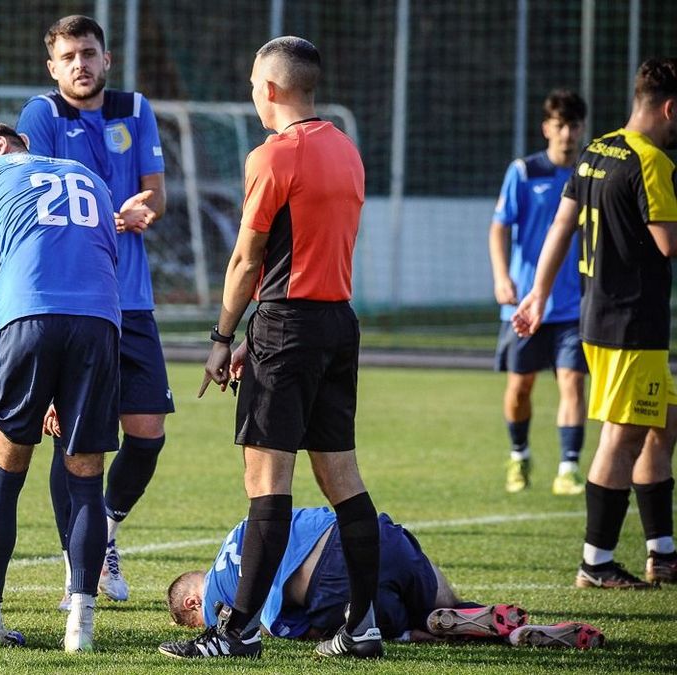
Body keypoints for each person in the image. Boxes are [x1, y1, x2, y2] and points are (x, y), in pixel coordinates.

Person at [161, 37, 381, 661]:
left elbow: (247, 259)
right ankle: (361, 629)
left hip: (286, 330)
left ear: (273, 89)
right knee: (343, 479)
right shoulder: (347, 149)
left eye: (255, 85)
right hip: (338, 323)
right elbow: (305, 253)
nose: (252, 96)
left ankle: (238, 632)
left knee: (266, 485)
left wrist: (223, 336)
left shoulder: (273, 156)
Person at [17, 14, 170, 606]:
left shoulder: (135, 108)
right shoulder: (43, 116)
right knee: (75, 438)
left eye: (89, 52)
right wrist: (114, 218)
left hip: (131, 302)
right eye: (68, 57)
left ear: (106, 58)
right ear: (52, 68)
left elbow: (157, 192)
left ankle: (104, 528)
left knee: (148, 432)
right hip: (75, 301)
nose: (80, 64)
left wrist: (145, 208)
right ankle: (75, 563)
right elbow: (43, 208)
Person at [0, 123, 120, 652]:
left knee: (4, 480)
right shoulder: (90, 176)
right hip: (99, 323)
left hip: (26, 319)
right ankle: (81, 630)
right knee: (87, 483)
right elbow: (101, 258)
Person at [513, 57, 677, 588]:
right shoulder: (651, 162)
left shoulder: (596, 151)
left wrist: (537, 293)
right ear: (670, 108)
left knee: (664, 422)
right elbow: (668, 242)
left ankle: (663, 552)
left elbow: (562, 224)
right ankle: (597, 562)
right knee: (622, 437)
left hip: (597, 317)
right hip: (632, 323)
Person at [165, 507, 605, 650]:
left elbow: (291, 624)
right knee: (441, 598)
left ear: (191, 605)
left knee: (361, 627)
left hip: (333, 580)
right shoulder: (239, 529)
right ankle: (489, 623)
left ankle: (427, 631)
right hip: (370, 532)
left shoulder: (225, 602)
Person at [490, 90, 589, 496]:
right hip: (526, 304)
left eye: (574, 126)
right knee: (520, 387)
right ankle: (519, 454)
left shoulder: (589, 173)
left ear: (583, 128)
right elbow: (499, 226)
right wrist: (501, 276)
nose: (567, 134)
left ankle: (568, 467)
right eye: (560, 126)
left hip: (573, 303)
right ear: (547, 127)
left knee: (572, 382)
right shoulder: (525, 171)